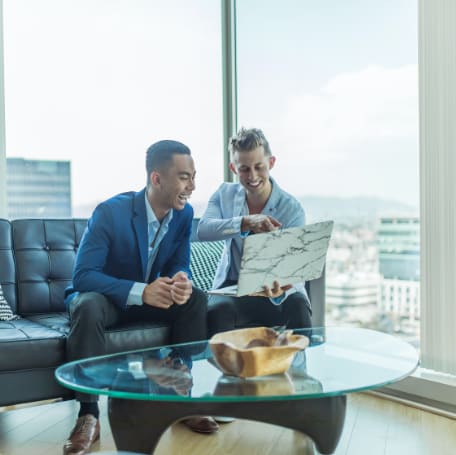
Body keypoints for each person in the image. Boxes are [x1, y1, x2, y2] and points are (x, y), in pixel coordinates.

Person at [63, 140, 215, 455]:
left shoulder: (184, 215)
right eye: (185, 177)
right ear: (157, 179)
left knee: (196, 299)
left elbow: (179, 261)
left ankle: (180, 394)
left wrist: (181, 279)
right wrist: (140, 291)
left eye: (193, 176)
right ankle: (88, 415)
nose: (193, 186)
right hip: (110, 302)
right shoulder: (110, 212)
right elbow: (83, 276)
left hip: (152, 300)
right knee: (87, 305)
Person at [198, 127, 312, 335]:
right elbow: (203, 230)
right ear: (233, 168)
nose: (252, 176)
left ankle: (297, 367)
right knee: (217, 311)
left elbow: (296, 268)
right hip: (233, 289)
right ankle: (228, 367)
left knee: (298, 305)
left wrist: (281, 287)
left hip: (276, 289)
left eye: (259, 167)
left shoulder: (291, 208)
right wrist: (244, 222)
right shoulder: (224, 195)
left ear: (271, 163)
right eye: (244, 169)